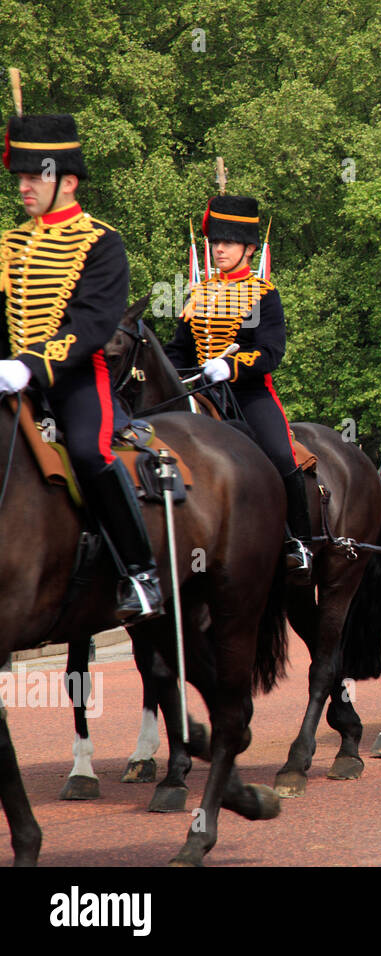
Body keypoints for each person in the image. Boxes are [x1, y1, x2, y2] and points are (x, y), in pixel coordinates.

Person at [0, 109, 163, 622]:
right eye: (20, 177)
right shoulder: (8, 244)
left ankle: (140, 573)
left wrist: (30, 367)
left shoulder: (101, 242)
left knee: (92, 455)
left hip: (72, 380)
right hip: (10, 377)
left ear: (67, 182)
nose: (24, 187)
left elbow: (92, 323)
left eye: (34, 177)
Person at [165, 195, 312, 580]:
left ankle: (299, 542)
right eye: (215, 242)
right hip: (199, 394)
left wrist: (230, 366)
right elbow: (178, 350)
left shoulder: (263, 294)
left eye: (227, 243)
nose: (219, 249)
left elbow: (269, 352)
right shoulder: (197, 295)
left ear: (249, 248)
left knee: (282, 456)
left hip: (248, 393)